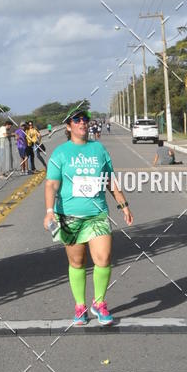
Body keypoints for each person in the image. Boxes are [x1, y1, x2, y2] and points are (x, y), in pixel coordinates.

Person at [44, 107, 133, 326]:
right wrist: (49, 212)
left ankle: (99, 303)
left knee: (104, 258)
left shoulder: (98, 149)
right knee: (77, 262)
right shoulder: (61, 153)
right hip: (69, 216)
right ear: (68, 126)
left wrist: (123, 205)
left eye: (85, 119)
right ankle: (80, 306)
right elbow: (51, 184)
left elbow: (109, 180)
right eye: (77, 120)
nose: (82, 122)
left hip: (97, 214)